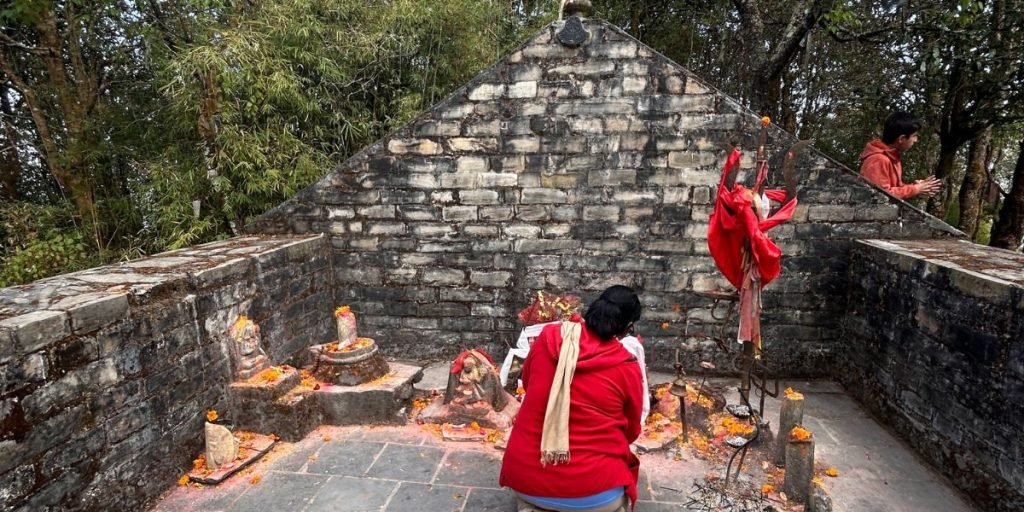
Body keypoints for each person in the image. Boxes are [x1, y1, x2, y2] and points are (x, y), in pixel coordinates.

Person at [499, 285, 645, 512]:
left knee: (531, 498)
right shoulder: (626, 366)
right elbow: (632, 431)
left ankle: (534, 505)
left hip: (527, 480)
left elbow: (527, 383)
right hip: (595, 493)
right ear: (626, 328)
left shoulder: (549, 337)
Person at [859, 111, 941, 199]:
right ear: (902, 138)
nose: (916, 140)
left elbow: (894, 188)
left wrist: (917, 187)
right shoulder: (879, 159)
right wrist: (915, 189)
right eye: (914, 136)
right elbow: (880, 195)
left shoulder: (892, 157)